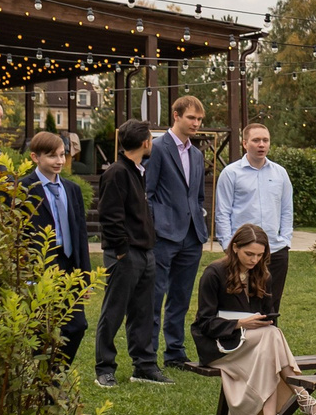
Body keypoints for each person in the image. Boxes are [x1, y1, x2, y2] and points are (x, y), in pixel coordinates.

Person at [193, 223, 316, 415]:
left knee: (271, 337)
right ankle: (302, 396)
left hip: (257, 343)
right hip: (220, 344)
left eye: (259, 255)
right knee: (271, 336)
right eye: (249, 254)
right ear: (235, 248)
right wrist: (239, 323)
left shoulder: (263, 275)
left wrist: (262, 321)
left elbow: (268, 316)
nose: (254, 260)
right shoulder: (214, 273)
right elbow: (204, 323)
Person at [93, 118, 165, 388]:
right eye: (150, 138)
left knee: (143, 311)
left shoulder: (138, 170)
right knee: (113, 311)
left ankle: (144, 366)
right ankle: (105, 369)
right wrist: (121, 251)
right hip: (125, 254)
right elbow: (109, 216)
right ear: (145, 141)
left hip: (145, 253)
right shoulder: (116, 172)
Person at [146, 95, 212, 371]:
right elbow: (147, 192)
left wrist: (198, 216)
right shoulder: (157, 148)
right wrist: (157, 224)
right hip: (163, 234)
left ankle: (175, 352)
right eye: (191, 118)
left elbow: (197, 195)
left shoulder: (197, 154)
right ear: (176, 115)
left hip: (191, 235)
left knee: (181, 296)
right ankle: (147, 356)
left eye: (199, 119)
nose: (196, 123)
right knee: (154, 295)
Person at [214, 123, 296, 312]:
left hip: (275, 250)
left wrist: (285, 240)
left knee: (272, 304)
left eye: (265, 140)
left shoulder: (280, 173)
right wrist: (228, 245)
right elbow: (223, 212)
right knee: (241, 303)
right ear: (245, 143)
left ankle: (270, 339)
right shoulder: (231, 173)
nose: (261, 145)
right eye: (256, 140)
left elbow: (286, 209)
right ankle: (240, 340)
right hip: (243, 251)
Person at [23, 130, 89, 363]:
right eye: (52, 156)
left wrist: (85, 276)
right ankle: (42, 379)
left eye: (62, 155)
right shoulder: (24, 188)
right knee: (43, 327)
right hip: (41, 266)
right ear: (35, 157)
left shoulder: (72, 189)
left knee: (77, 325)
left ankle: (55, 376)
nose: (59, 161)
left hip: (69, 263)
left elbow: (81, 233)